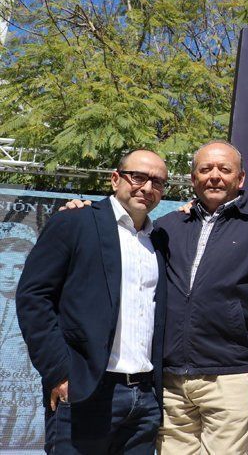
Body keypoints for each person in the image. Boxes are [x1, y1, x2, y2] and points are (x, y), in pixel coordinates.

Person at [16, 150, 169, 453]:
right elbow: (33, 296)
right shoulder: (76, 222)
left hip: (145, 400)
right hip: (87, 391)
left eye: (158, 182)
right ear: (116, 179)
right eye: (138, 176)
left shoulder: (159, 240)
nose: (147, 188)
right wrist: (59, 372)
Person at [155, 141, 248, 453]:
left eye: (224, 169)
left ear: (241, 178)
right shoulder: (167, 226)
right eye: (205, 169)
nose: (215, 176)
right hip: (171, 381)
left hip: (232, 377)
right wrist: (82, 209)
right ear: (193, 178)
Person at [0, 223, 45, 448]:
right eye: (1, 266)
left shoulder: (40, 308)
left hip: (20, 404)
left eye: (18, 267)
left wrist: (39, 411)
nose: (8, 275)